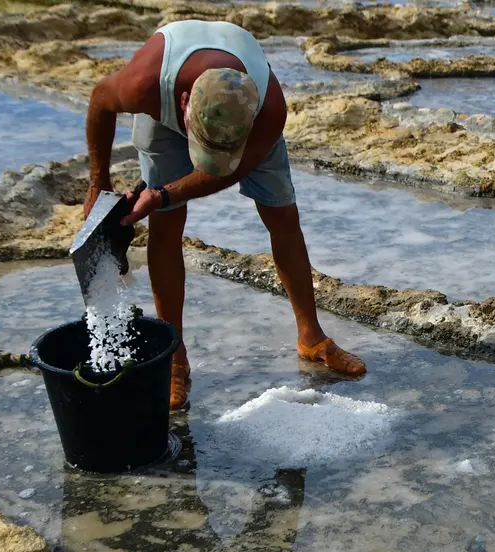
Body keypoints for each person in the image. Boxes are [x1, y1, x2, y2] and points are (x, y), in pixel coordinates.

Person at [83, 19, 366, 410]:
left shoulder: (266, 109)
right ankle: (175, 357)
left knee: (283, 220)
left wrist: (162, 194)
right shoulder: (143, 85)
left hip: (238, 118)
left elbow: (231, 170)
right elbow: (99, 99)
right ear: (183, 103)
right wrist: (97, 183)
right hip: (164, 114)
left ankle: (311, 337)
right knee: (166, 227)